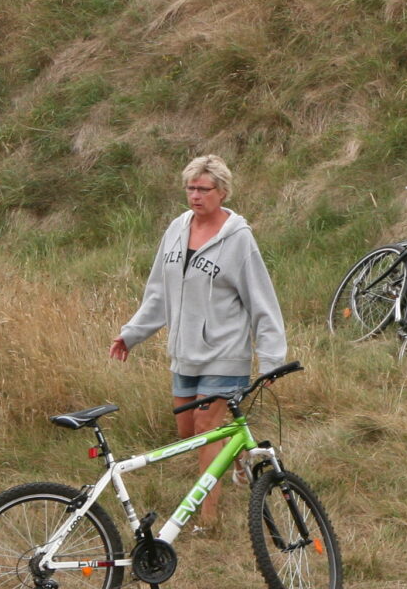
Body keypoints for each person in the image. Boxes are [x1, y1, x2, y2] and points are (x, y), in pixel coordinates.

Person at [110, 153, 288, 530]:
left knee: (207, 429)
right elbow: (158, 293)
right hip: (184, 353)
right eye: (190, 188)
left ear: (221, 192)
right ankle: (239, 457)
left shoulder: (239, 239)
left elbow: (262, 302)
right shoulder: (177, 229)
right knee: (187, 432)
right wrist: (131, 333)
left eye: (203, 189)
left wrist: (272, 359)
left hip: (225, 353)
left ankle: (207, 520)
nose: (195, 195)